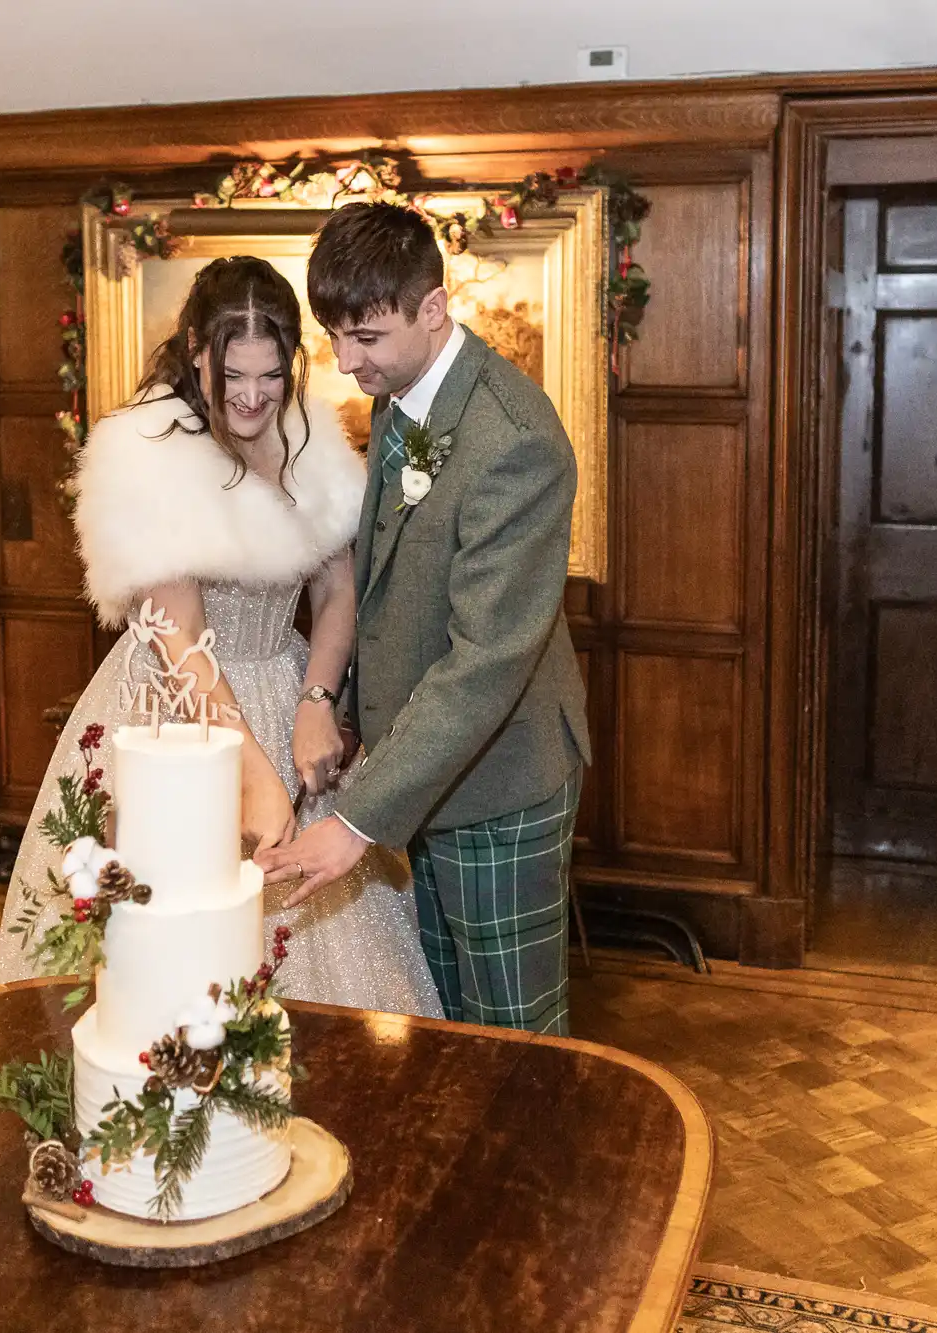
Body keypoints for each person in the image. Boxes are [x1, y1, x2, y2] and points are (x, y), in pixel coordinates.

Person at [0, 255, 442, 1020]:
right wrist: (254, 772)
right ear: (197, 347)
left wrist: (317, 698)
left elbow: (337, 588)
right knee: (168, 964)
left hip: (285, 688)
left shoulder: (309, 437)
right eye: (234, 374)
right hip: (172, 713)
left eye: (272, 375)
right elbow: (178, 632)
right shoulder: (150, 448)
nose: (254, 397)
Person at [257, 203, 590, 1035]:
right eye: (335, 336)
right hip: (425, 773)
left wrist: (359, 818)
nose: (345, 361)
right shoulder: (402, 394)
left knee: (515, 1040)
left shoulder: (514, 440)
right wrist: (342, 709)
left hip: (501, 782)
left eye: (365, 337)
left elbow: (486, 661)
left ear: (433, 309)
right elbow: (387, 592)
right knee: (446, 1025)